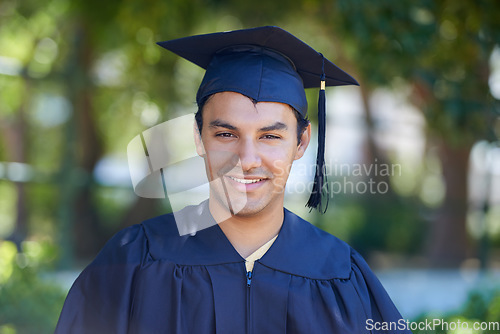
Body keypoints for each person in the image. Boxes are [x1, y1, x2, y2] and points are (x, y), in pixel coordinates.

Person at [56, 26, 410, 334]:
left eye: (270, 137)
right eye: (226, 135)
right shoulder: (134, 261)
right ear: (199, 138)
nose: (247, 160)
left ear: (301, 142)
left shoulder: (340, 274)